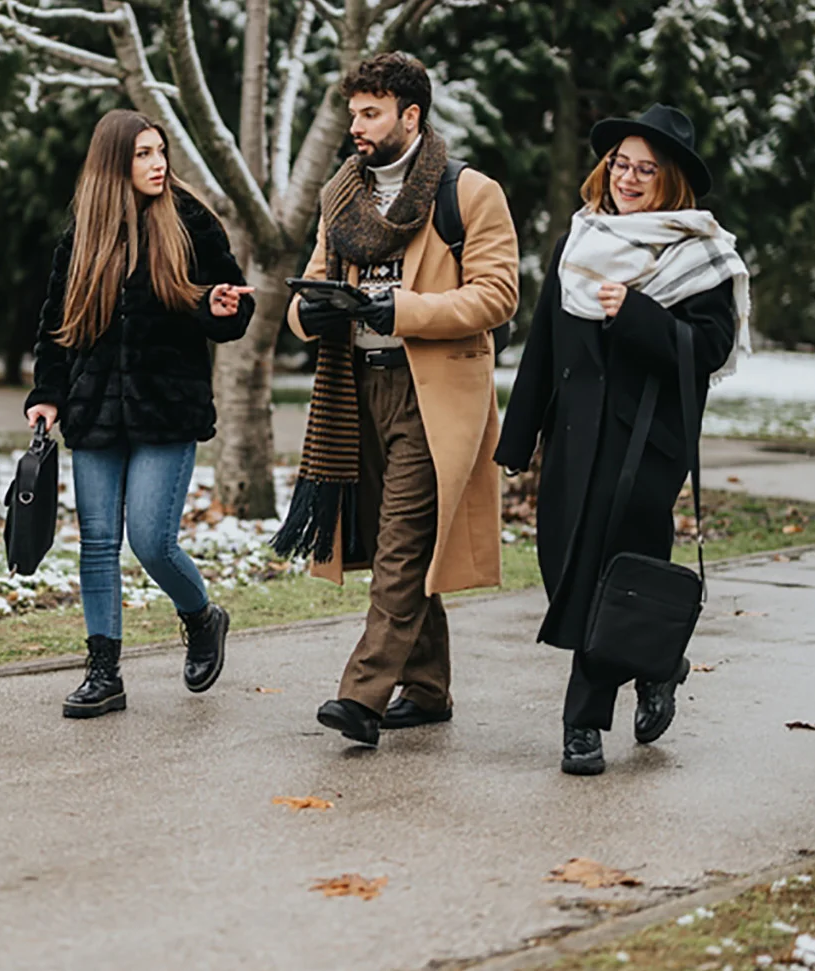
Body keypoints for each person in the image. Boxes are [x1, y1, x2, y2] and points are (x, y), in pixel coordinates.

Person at [492, 104, 751, 775]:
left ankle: (582, 723)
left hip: (644, 446)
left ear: (671, 181)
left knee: (603, 575)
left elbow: (709, 348)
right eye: (620, 165)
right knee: (565, 566)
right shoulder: (578, 241)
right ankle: (658, 663)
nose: (628, 179)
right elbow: (546, 342)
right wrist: (517, 440)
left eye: (645, 170)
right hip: (572, 439)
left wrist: (638, 315)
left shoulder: (697, 253)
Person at [275, 53, 519, 747]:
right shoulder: (340, 195)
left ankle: (362, 695)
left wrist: (402, 310)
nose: (356, 125)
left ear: (410, 115)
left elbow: (498, 295)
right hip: (353, 392)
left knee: (401, 545)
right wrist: (307, 315)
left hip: (432, 395)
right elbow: (312, 282)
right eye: (353, 112)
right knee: (398, 541)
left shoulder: (468, 192)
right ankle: (429, 687)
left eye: (371, 113)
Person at [25, 109, 256, 720]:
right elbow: (55, 327)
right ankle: (103, 673)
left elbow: (228, 306)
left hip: (166, 408)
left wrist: (222, 308)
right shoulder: (83, 234)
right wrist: (47, 394)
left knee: (151, 541)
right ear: (113, 164)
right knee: (98, 543)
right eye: (143, 154)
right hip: (95, 409)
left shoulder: (191, 221)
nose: (158, 164)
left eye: (160, 152)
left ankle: (201, 618)